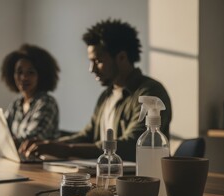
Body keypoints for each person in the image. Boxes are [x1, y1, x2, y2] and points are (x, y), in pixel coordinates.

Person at [19, 19, 172, 162]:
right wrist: (50, 144)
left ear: (122, 57)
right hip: (107, 176)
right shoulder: (106, 96)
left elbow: (133, 145)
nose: (91, 69)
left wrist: (67, 149)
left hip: (138, 182)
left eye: (98, 61)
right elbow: (88, 135)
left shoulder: (149, 93)